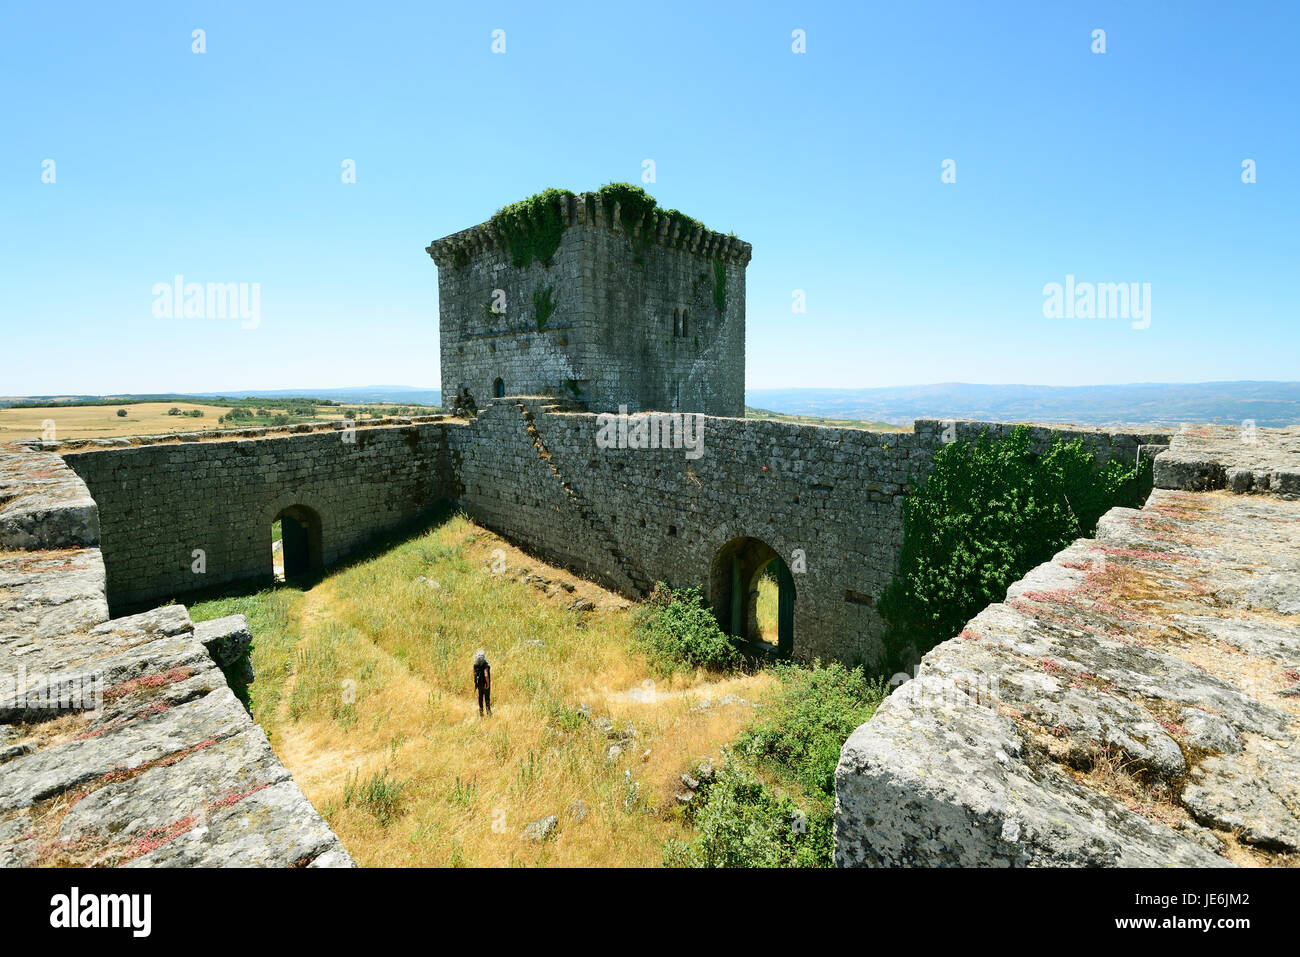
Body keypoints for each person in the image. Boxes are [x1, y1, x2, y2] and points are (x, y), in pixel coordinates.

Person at [473, 649, 491, 716]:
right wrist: (488, 684)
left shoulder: (475, 665)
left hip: (479, 684)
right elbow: (486, 675)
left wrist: (476, 683)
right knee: (487, 698)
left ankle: (481, 712)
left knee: (480, 698)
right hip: (485, 684)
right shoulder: (485, 665)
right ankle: (488, 713)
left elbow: (474, 673)